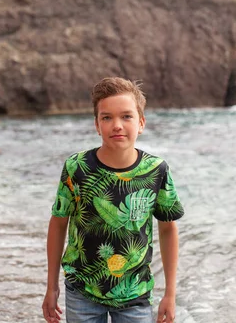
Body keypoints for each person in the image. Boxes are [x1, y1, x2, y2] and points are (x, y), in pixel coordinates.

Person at [42, 77, 184, 323]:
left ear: (141, 123)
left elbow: (168, 229)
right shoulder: (77, 168)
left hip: (135, 293)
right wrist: (51, 286)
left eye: (126, 116)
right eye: (107, 117)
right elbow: (58, 224)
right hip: (81, 291)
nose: (117, 125)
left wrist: (170, 294)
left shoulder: (156, 169)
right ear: (97, 125)